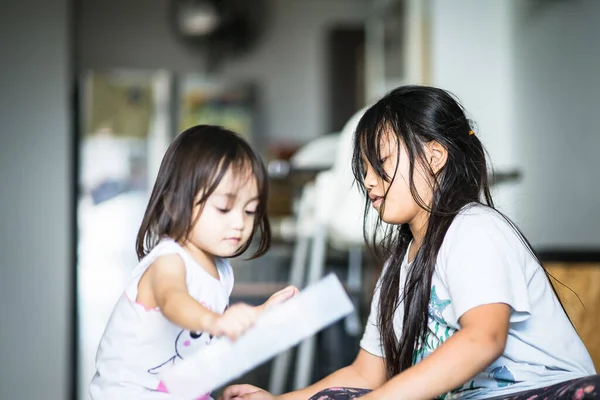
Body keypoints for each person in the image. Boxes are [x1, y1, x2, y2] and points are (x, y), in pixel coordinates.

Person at [222, 86, 597, 400]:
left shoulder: (475, 228)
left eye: (380, 162)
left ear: (435, 156)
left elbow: (484, 339)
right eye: (363, 171)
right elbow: (367, 374)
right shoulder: (397, 268)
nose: (369, 182)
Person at [90, 125, 298, 399]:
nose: (240, 222)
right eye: (224, 208)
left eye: (250, 211)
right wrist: (215, 321)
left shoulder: (221, 271)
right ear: (175, 204)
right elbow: (173, 301)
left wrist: (259, 317)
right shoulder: (169, 261)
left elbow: (198, 343)